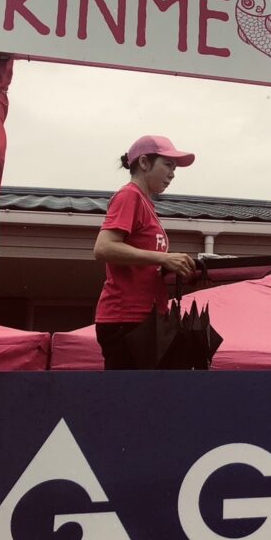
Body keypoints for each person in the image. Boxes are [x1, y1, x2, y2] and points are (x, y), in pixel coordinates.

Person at [93, 135, 197, 369]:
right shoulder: (129, 195)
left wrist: (184, 272)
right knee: (134, 392)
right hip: (127, 319)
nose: (172, 174)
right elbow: (104, 247)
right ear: (143, 162)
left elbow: (146, 266)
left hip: (146, 319)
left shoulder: (144, 202)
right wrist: (164, 258)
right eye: (168, 165)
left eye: (174, 168)